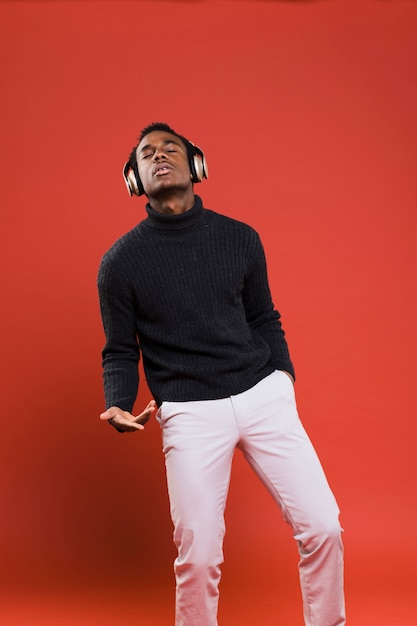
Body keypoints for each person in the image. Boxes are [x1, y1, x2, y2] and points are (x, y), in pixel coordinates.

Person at [97, 122, 346, 626]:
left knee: (323, 527)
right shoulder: (119, 263)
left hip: (262, 394)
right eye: (148, 154)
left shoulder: (240, 238)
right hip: (189, 411)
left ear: (198, 167)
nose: (160, 156)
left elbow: (264, 318)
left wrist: (282, 379)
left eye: (172, 148)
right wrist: (120, 401)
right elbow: (121, 349)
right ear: (134, 179)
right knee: (200, 556)